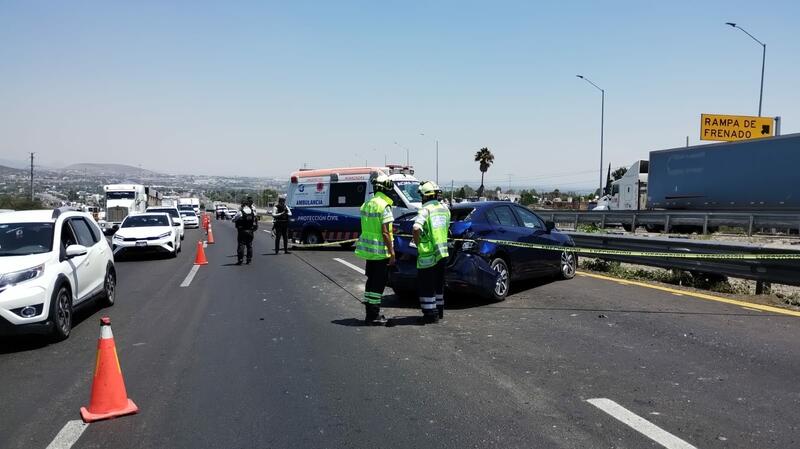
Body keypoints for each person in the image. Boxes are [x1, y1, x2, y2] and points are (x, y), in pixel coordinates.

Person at [354, 173, 395, 326]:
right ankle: (374, 316)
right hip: (380, 251)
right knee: (378, 284)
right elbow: (385, 232)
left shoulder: (367, 203)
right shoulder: (384, 206)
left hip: (369, 251)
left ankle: (369, 314)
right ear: (386, 188)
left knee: (371, 282)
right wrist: (392, 253)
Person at [413, 181, 450, 323]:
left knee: (426, 285)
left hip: (428, 253)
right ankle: (439, 311)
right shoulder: (444, 208)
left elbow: (416, 228)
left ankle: (430, 315)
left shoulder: (425, 210)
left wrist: (417, 243)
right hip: (442, 252)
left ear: (425, 196)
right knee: (438, 284)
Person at [233, 196, 258, 265]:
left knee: (241, 245)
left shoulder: (241, 212)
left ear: (243, 205)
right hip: (250, 231)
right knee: (249, 245)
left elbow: (233, 219)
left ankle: (240, 260)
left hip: (242, 231)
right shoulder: (252, 212)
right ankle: (249, 260)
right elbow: (255, 218)